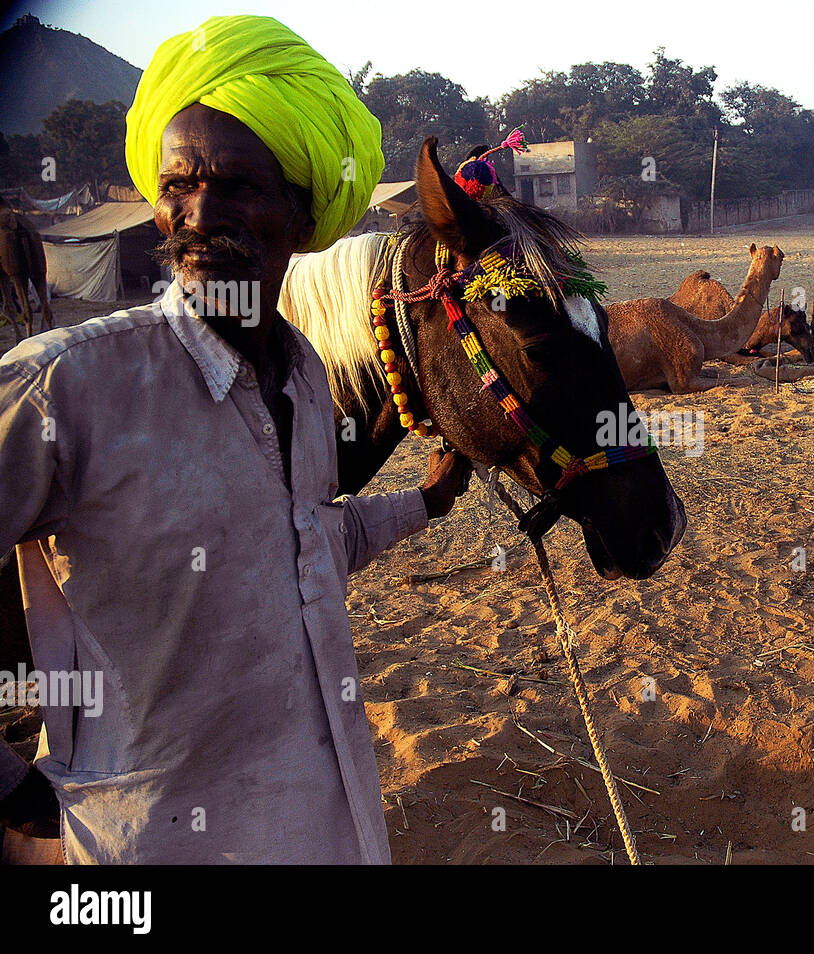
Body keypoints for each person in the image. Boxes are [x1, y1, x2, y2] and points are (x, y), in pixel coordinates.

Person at [0, 15, 475, 864]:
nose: (200, 214)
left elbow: (309, 539)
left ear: (302, 212)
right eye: (178, 185)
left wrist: (427, 503)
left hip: (327, 827)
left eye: (238, 185)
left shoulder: (304, 382)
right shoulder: (66, 386)